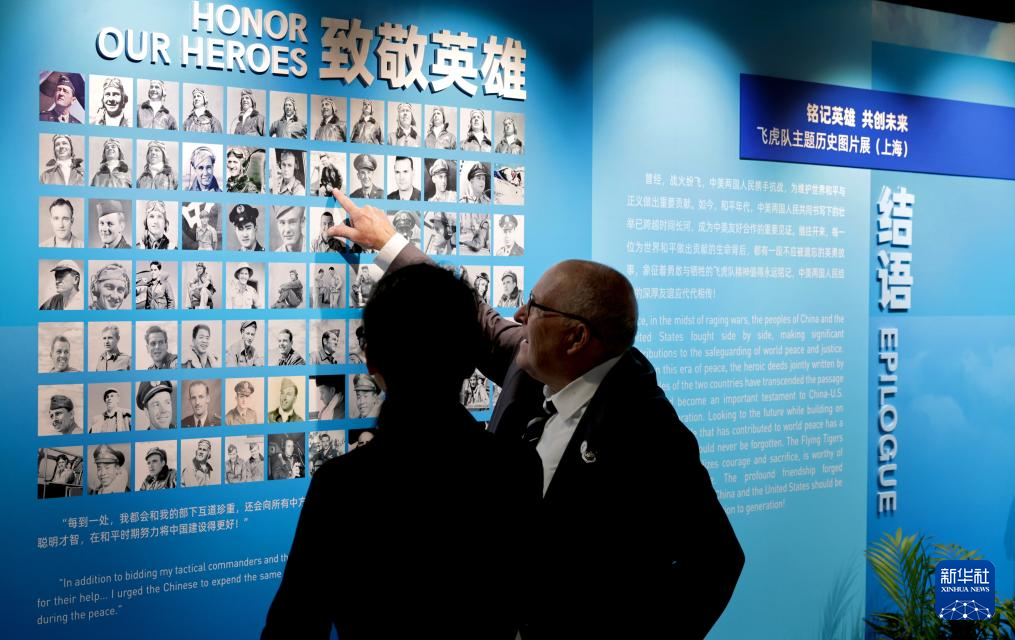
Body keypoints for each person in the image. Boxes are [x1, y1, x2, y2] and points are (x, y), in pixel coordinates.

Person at [325, 190, 745, 638]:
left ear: (576, 337)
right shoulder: (534, 365)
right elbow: (473, 318)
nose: (520, 313)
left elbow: (717, 560)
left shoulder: (647, 430)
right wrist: (389, 244)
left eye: (537, 307)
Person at [263, 263, 541, 639]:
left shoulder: (342, 485)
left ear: (370, 358)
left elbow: (293, 626)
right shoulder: (517, 468)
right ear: (470, 358)